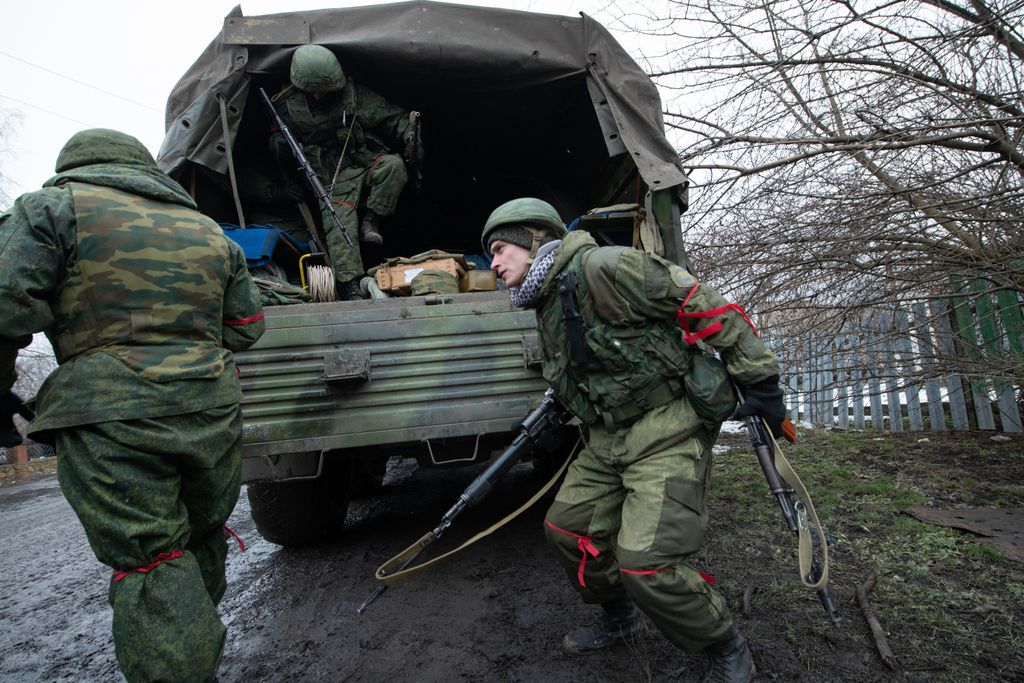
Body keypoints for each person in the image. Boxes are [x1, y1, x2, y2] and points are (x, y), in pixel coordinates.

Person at [482, 198, 788, 683]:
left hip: (667, 424)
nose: (493, 264)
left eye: (499, 250)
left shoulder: (604, 267)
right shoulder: (548, 297)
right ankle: (619, 619)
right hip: (609, 435)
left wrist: (760, 380)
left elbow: (699, 300)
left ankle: (725, 644)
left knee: (646, 563)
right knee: (567, 531)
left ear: (533, 239)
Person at [0, 128, 266, 682]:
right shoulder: (209, 232)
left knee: (153, 559)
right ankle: (192, 649)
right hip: (211, 410)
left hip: (112, 414)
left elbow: (6, 307)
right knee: (197, 539)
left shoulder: (51, 209)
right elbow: (246, 329)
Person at [268, 44, 420, 300]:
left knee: (393, 166)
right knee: (339, 227)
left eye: (324, 92)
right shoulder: (287, 108)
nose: (318, 97)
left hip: (363, 160)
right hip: (330, 176)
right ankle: (350, 285)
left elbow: (392, 117)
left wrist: (410, 136)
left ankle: (372, 220)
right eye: (311, 92)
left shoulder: (354, 97)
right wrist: (280, 146)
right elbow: (272, 147)